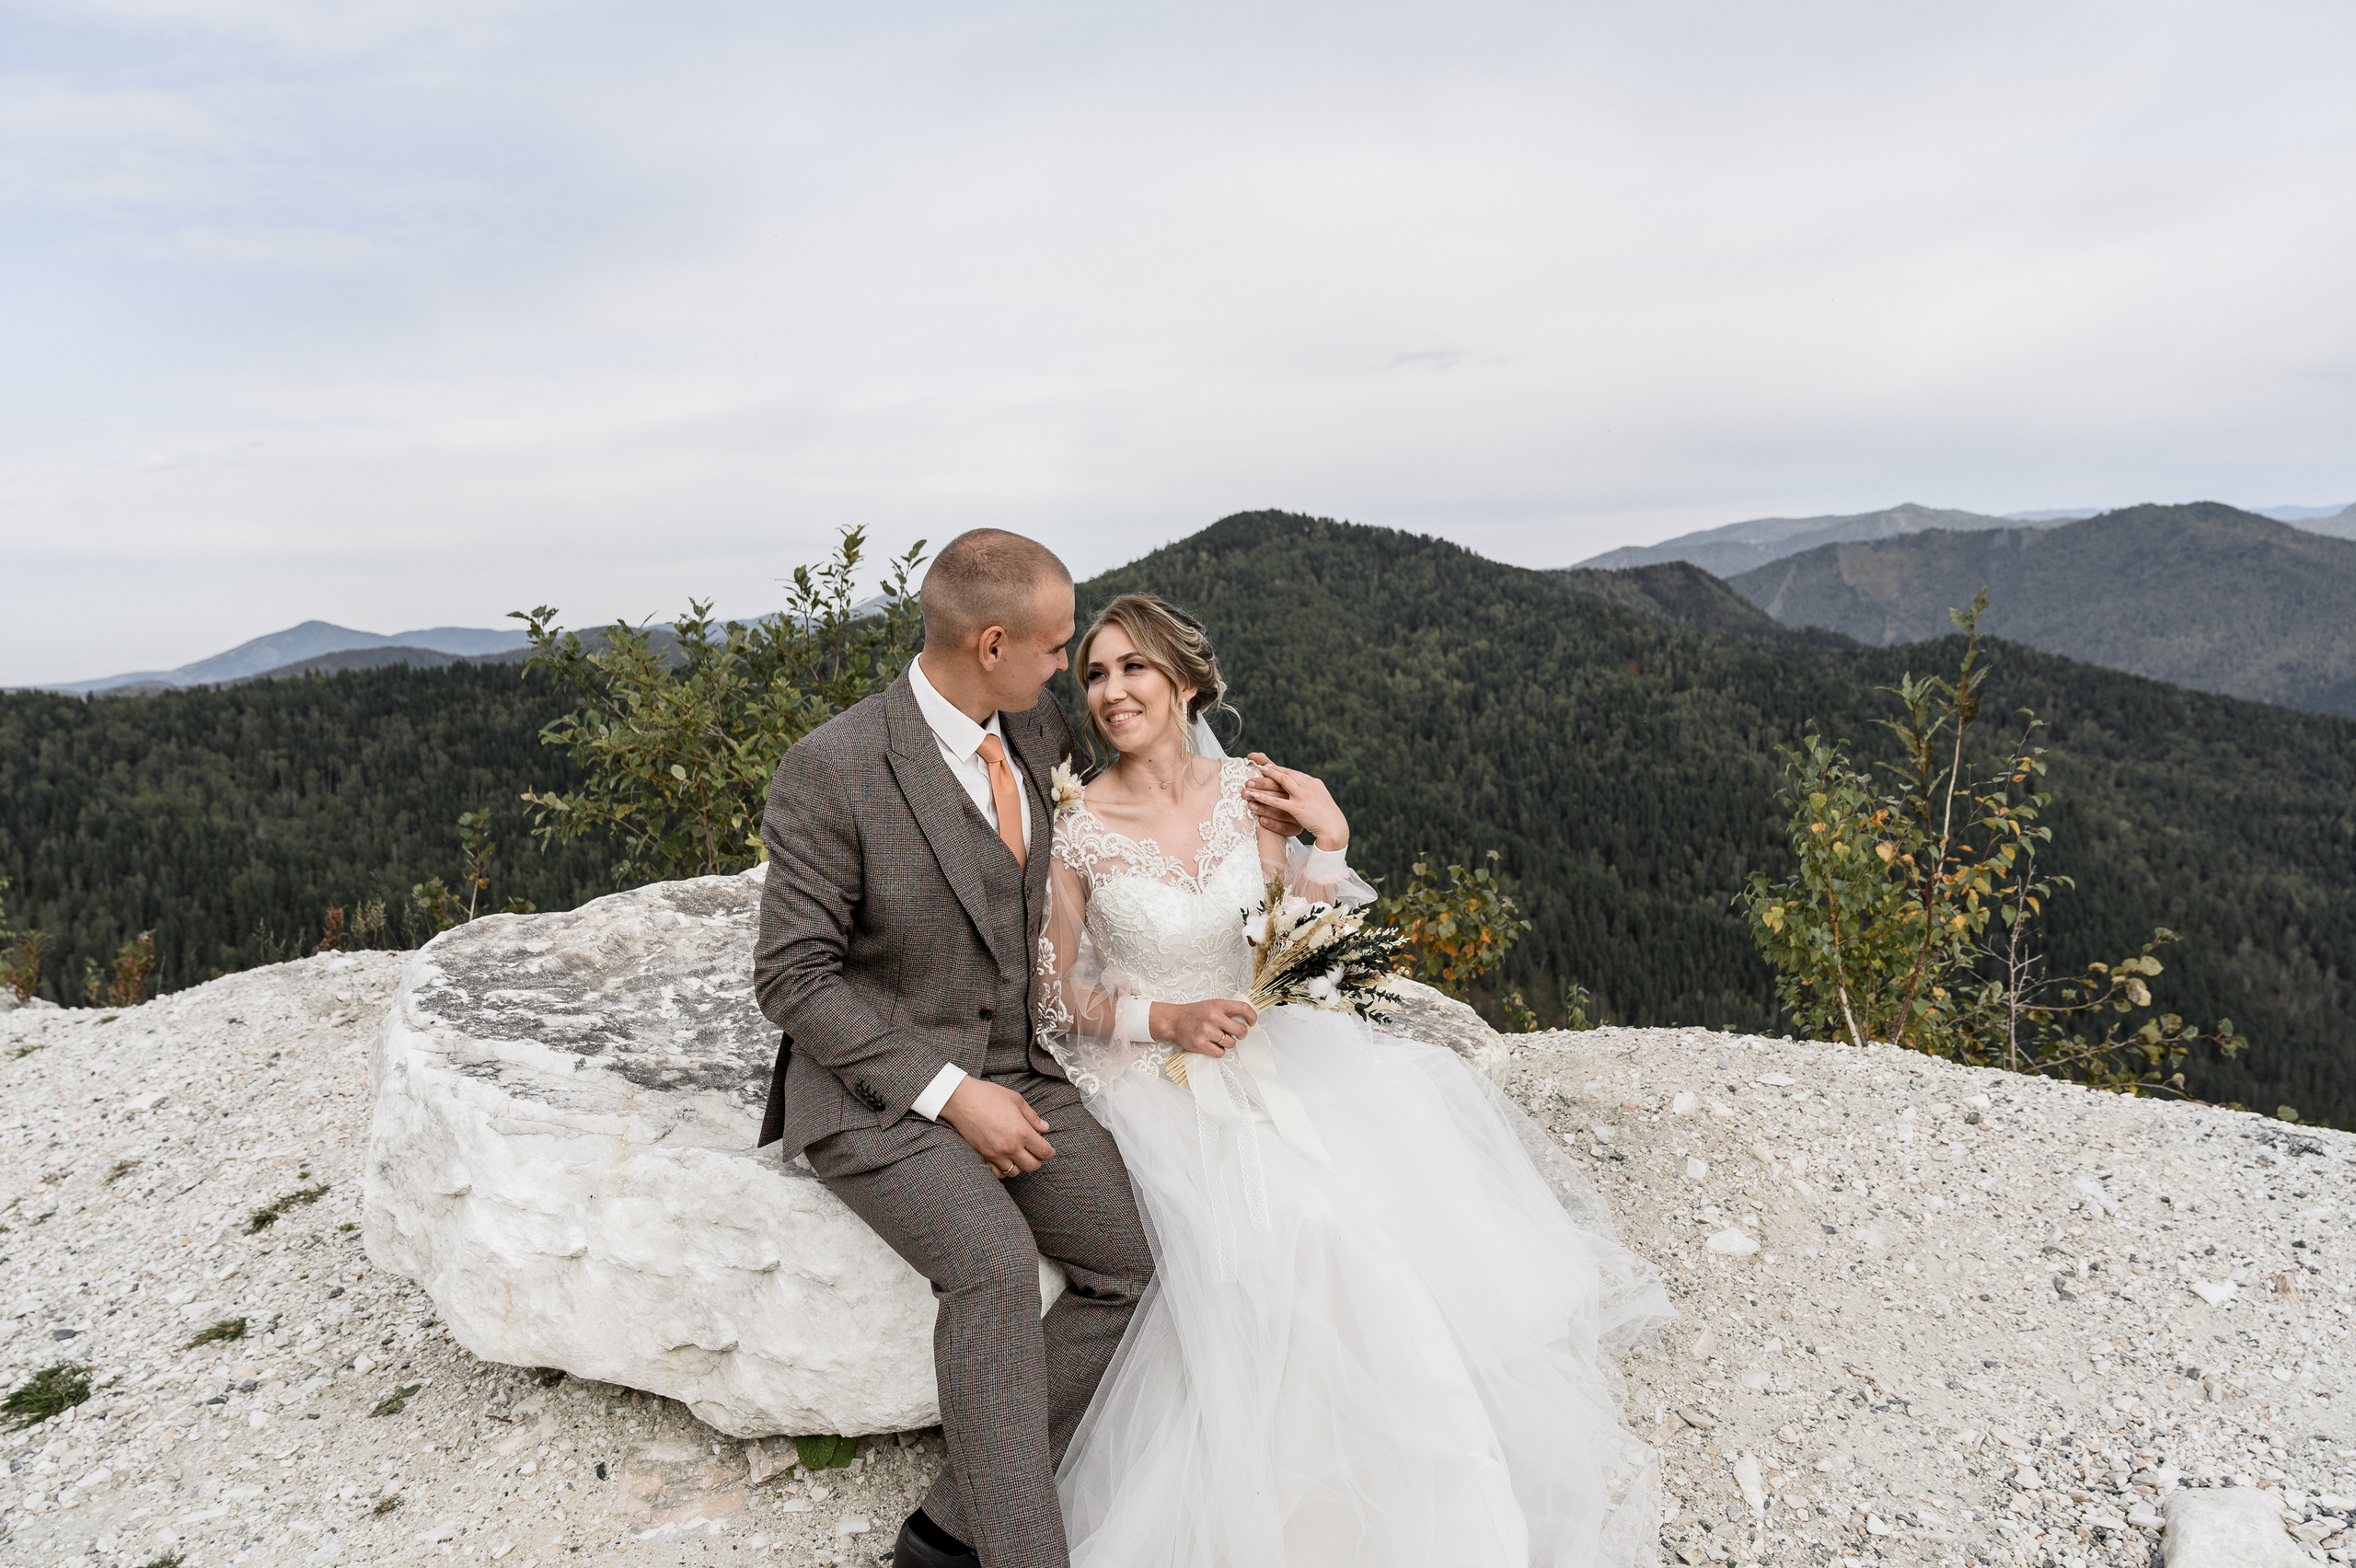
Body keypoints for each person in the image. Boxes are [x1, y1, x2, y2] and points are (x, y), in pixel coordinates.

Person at [1036, 593, 1674, 1568]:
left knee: (1369, 1230)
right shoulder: (1078, 827)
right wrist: (1163, 1018)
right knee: (1294, 1239)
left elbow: (1298, 947)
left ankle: (1435, 1504)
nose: (1111, 691)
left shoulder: (1249, 794)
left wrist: (1327, 842)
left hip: (1278, 1057)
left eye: (1134, 668)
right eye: (1094, 673)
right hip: (1161, 1083)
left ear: (1187, 683)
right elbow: (1054, 995)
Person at [754, 531, 1178, 1568]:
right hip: (877, 1091)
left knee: (1141, 1265)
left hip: (1024, 1063)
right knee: (990, 1266)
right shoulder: (834, 767)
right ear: (992, 644)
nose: (1068, 670)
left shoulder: (1033, 728)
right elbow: (793, 978)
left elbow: (1136, 798)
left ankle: (946, 1531)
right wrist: (949, 1093)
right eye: (1056, 648)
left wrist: (1274, 812)